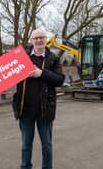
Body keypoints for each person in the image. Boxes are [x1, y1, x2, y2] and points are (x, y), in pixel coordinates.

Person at [12, 29, 65, 169]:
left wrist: (42, 73)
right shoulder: (20, 58)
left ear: (46, 39)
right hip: (25, 110)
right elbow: (5, 75)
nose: (39, 40)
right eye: (36, 38)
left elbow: (59, 80)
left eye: (41, 37)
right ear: (31, 40)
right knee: (25, 146)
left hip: (45, 110)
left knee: (47, 145)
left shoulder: (53, 59)